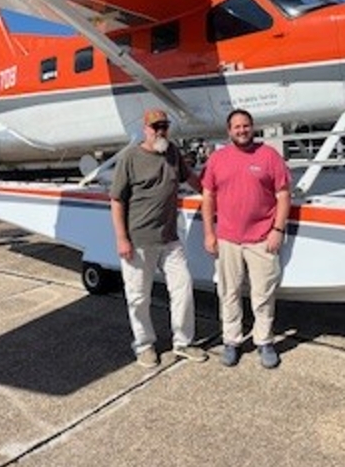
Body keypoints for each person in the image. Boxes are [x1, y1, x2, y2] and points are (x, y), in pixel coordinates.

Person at [110, 108, 209, 369]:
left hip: (169, 238)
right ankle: (143, 345)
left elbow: (194, 181)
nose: (160, 131)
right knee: (138, 297)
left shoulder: (173, 153)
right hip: (138, 240)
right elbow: (117, 200)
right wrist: (122, 238)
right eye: (156, 127)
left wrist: (215, 196)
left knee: (183, 288)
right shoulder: (130, 158)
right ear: (145, 129)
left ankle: (183, 342)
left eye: (164, 126)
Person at [201, 109, 291, 369]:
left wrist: (278, 229)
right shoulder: (218, 159)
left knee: (263, 294)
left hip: (262, 238)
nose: (242, 130)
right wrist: (209, 232)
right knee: (228, 293)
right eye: (237, 127)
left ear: (253, 128)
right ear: (229, 131)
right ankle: (232, 341)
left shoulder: (269, 156)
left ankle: (264, 341)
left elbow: (283, 195)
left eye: (246, 126)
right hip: (228, 238)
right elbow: (208, 197)